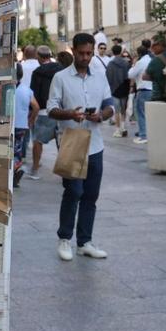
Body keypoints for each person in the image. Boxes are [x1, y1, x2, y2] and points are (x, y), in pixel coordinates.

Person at [48, 33, 114, 262]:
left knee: (91, 195)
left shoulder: (100, 75)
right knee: (73, 191)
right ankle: (65, 238)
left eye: (89, 53)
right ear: (73, 51)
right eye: (82, 53)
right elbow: (51, 109)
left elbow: (109, 105)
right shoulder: (61, 77)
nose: (86, 57)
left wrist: (101, 115)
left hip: (95, 143)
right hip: (72, 140)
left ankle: (85, 241)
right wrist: (70, 113)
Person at [27, 45, 62, 179]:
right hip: (60, 110)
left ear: (39, 57)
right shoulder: (60, 69)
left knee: (37, 142)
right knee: (62, 142)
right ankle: (65, 170)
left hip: (43, 111)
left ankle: (35, 169)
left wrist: (31, 113)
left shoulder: (38, 72)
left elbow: (34, 92)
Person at [12, 80, 38, 188]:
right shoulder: (26, 90)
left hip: (8, 123)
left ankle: (11, 173)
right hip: (21, 124)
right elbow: (36, 107)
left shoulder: (5, 86)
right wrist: (31, 120)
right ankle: (17, 170)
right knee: (17, 151)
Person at [127, 45, 152, 143]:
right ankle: (148, 133)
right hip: (152, 89)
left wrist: (133, 64)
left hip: (143, 90)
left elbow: (130, 75)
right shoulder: (151, 60)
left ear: (139, 54)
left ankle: (143, 135)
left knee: (140, 113)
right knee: (149, 114)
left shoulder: (140, 62)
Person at [106, 45, 131, 138]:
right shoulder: (126, 63)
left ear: (112, 52)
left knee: (116, 110)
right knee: (123, 109)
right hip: (124, 88)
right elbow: (128, 76)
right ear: (121, 52)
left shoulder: (110, 64)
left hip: (114, 89)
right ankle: (123, 127)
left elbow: (108, 77)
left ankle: (117, 130)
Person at [146, 36, 166, 102]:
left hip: (160, 96)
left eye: (152, 46)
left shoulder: (157, 60)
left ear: (159, 45)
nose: (151, 49)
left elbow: (145, 77)